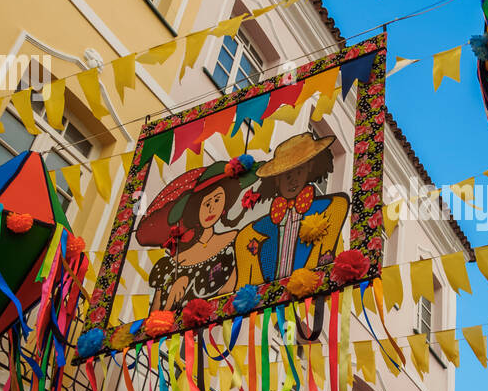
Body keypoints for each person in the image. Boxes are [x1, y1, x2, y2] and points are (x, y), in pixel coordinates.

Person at [136, 157, 259, 311]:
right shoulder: (169, 266)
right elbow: (154, 320)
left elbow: (232, 297)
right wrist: (172, 293)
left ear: (225, 205)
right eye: (206, 203)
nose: (211, 209)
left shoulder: (236, 241)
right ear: (196, 210)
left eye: (217, 200)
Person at [233, 131, 349, 285]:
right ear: (277, 179)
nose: (293, 181)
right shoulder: (252, 232)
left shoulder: (332, 207)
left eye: (299, 172)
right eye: (287, 175)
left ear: (309, 169)